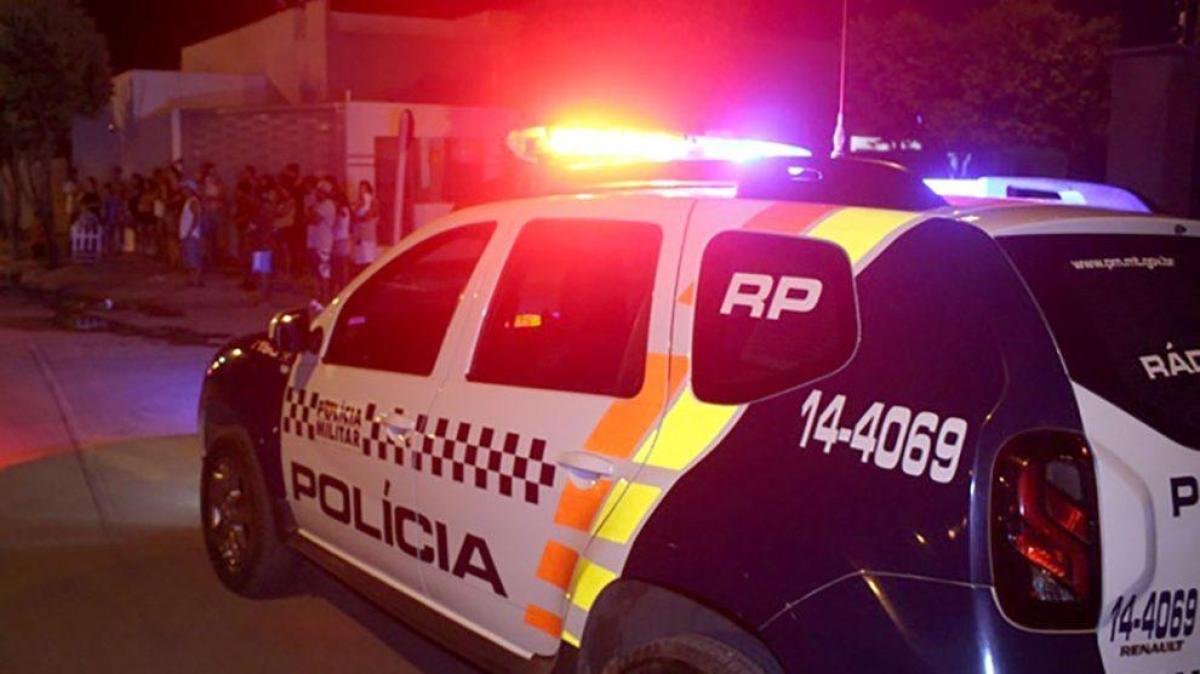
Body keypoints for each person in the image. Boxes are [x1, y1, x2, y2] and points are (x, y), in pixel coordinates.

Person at [310, 179, 337, 302]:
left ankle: (326, 295)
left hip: (325, 241)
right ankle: (321, 293)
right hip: (318, 241)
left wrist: (311, 212)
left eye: (319, 192)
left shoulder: (327, 205)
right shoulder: (320, 204)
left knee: (324, 269)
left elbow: (314, 219)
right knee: (319, 268)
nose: (316, 194)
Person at [351, 180, 380, 276]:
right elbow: (354, 216)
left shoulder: (373, 201)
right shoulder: (358, 203)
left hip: (368, 233)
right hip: (359, 234)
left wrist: (364, 209)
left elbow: (369, 216)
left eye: (364, 188)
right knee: (360, 258)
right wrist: (358, 207)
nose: (361, 191)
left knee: (368, 257)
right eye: (360, 188)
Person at [179, 180, 204, 286]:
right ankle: (191, 279)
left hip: (191, 235)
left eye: (185, 189)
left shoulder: (193, 201)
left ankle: (197, 279)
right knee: (188, 258)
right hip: (186, 234)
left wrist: (190, 231)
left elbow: (196, 217)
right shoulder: (188, 201)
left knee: (193, 258)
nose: (182, 191)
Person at [331, 179, 352, 294]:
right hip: (340, 239)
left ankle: (343, 288)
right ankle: (341, 287)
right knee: (340, 266)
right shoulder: (344, 210)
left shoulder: (342, 210)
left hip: (341, 239)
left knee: (341, 266)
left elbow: (337, 223)